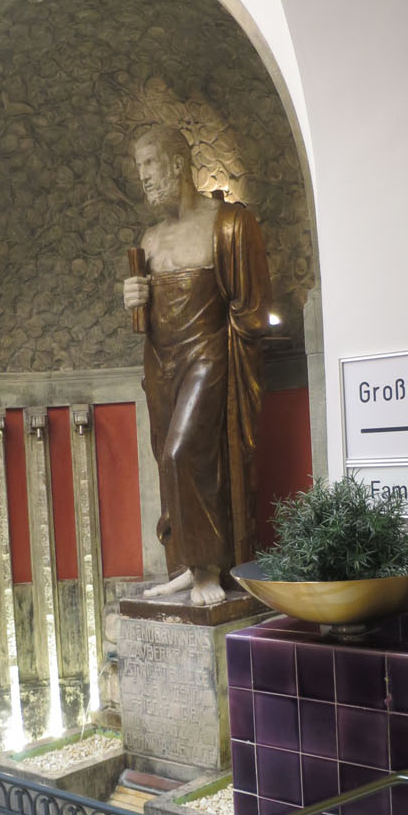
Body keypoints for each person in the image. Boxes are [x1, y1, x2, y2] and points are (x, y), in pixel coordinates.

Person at [123, 125, 271, 606]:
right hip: (161, 363)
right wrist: (134, 298)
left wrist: (235, 359)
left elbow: (250, 307)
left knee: (182, 453)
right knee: (167, 459)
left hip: (208, 355)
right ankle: (186, 566)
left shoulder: (227, 224)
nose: (144, 176)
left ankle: (209, 568)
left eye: (149, 164)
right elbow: (146, 319)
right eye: (139, 167)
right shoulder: (150, 239)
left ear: (176, 163)